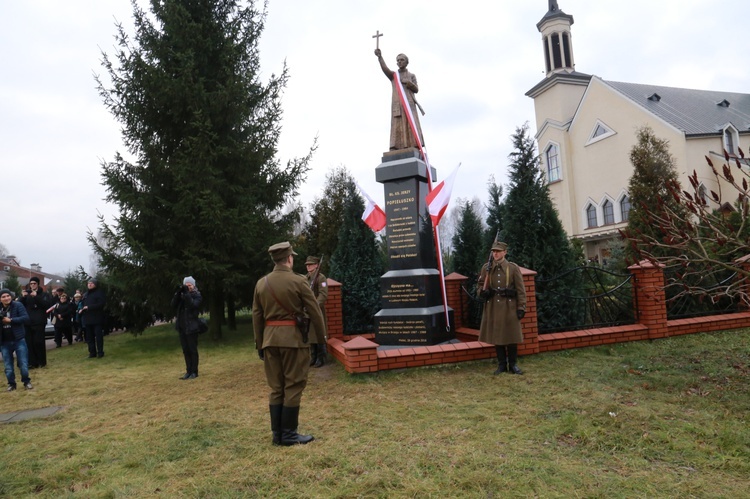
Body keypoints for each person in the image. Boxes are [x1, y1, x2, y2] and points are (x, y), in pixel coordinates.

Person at [252, 242, 326, 446]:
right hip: (293, 341)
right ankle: (289, 435)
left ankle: (277, 435)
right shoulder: (298, 281)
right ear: (289, 259)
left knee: (277, 387)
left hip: (269, 341)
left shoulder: (261, 283)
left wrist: (259, 343)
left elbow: (257, 316)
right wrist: (321, 339)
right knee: (293, 385)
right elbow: (314, 312)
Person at [477, 241, 527, 375]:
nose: (495, 254)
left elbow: (521, 290)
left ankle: (513, 365)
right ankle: (501, 365)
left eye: (498, 251)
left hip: (509, 306)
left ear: (505, 252)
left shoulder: (513, 268)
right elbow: (480, 285)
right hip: (493, 306)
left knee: (511, 335)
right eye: (494, 251)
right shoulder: (486, 268)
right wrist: (482, 291)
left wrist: (521, 307)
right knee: (497, 336)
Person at [374, 48, 425, 151]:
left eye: (402, 60)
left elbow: (416, 89)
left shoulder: (411, 75)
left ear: (407, 62)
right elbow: (385, 69)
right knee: (397, 123)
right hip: (398, 104)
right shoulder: (394, 76)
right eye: (398, 60)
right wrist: (380, 57)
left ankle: (414, 145)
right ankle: (396, 146)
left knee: (411, 123)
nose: (399, 62)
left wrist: (409, 83)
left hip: (409, 104)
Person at [171, 276, 202, 380]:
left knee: (192, 350)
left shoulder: (197, 295)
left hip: (192, 327)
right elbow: (173, 305)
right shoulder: (181, 296)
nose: (188, 287)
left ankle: (194, 371)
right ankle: (188, 371)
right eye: (186, 285)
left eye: (190, 285)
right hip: (182, 327)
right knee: (185, 350)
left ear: (194, 285)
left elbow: (192, 305)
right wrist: (178, 293)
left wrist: (187, 294)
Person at [0, 288, 32, 391]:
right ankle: (11, 384)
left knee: (23, 363)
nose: (6, 298)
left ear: (11, 296)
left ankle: (26, 381)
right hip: (4, 341)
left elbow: (25, 318)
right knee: (8, 366)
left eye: (8, 296)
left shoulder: (18, 305)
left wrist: (11, 320)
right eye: (3, 297)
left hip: (18, 339)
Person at [19, 276, 51, 368]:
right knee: (29, 342)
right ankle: (32, 362)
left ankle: (41, 361)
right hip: (28, 321)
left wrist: (36, 297)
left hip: (39, 321)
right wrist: (23, 297)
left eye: (34, 283)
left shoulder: (44, 294)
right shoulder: (27, 294)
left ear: (38, 284)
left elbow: (46, 305)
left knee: (38, 342)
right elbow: (19, 305)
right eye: (31, 284)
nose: (32, 285)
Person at [305, 256, 328, 368]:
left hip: (317, 310)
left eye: (310, 264)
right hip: (307, 311)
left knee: (318, 333)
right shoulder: (306, 278)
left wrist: (314, 305)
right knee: (310, 335)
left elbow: (323, 295)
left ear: (316, 265)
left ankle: (321, 357)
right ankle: (313, 357)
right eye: (307, 264)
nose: (308, 266)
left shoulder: (321, 278)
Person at [80, 277, 106, 358]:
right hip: (88, 319)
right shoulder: (86, 294)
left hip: (97, 318)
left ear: (95, 284)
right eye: (88, 283)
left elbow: (101, 304)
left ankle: (100, 352)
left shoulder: (99, 293)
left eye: (91, 283)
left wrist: (89, 307)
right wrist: (82, 309)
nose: (90, 284)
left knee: (98, 337)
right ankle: (92, 353)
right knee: (89, 337)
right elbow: (84, 304)